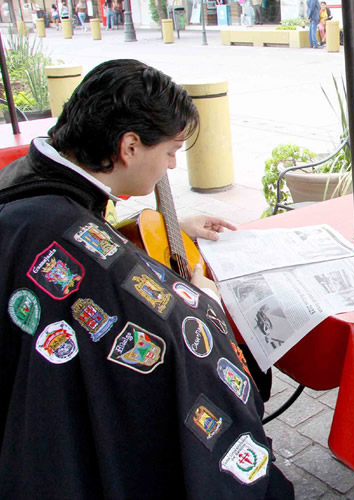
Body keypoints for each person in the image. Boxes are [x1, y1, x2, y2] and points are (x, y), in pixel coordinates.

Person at [0, 59, 294, 499]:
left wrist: (155, 226)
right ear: (130, 146)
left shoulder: (30, 182)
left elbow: (89, 242)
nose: (173, 165)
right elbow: (183, 335)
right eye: (171, 151)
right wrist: (205, 301)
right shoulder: (60, 228)